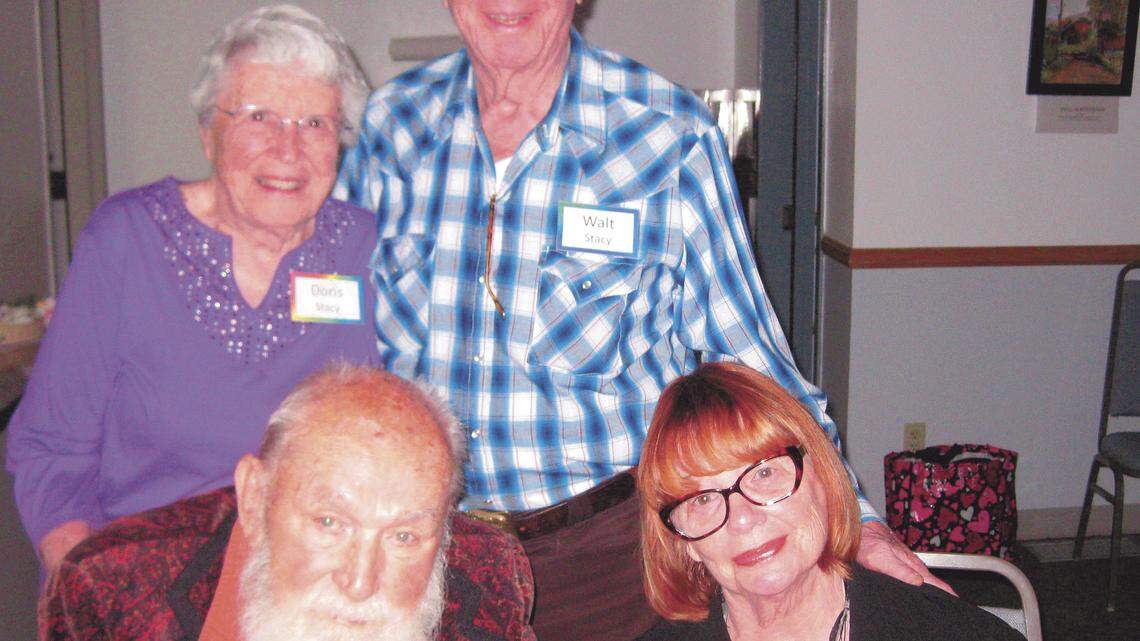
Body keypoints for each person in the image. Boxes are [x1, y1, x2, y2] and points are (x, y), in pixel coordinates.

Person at [335, 1, 942, 639]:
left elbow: (749, 355)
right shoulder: (391, 126)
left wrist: (862, 523)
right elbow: (333, 338)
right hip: (425, 552)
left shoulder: (665, 132)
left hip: (607, 563)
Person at [6, 5, 378, 574]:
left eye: (315, 123)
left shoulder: (366, 247)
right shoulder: (126, 240)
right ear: (208, 132)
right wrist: (91, 594)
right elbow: (51, 451)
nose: (288, 148)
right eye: (259, 117)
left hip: (309, 584)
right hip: (144, 576)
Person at [40, 364, 537, 641]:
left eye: (404, 536)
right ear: (255, 499)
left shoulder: (489, 576)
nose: (360, 583)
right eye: (329, 523)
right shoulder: (111, 585)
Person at [636, 362, 1022, 641]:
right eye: (702, 499)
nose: (741, 520)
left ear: (821, 477)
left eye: (764, 474)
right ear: (685, 542)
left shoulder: (945, 631)